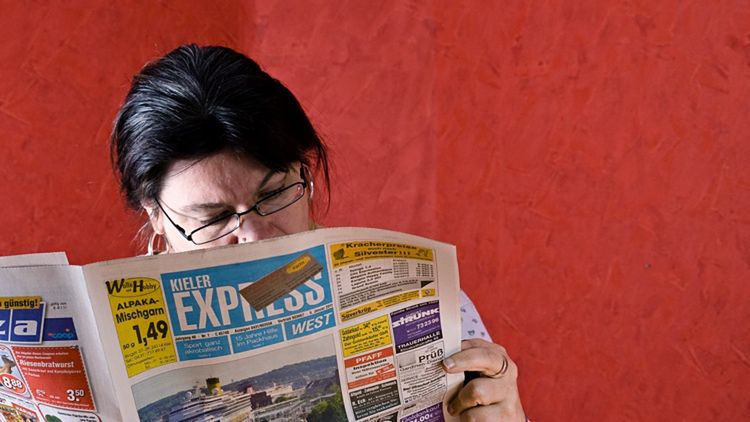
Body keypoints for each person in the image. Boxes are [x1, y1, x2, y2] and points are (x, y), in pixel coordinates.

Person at [111, 44, 526, 421]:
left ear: (304, 173)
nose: (256, 236)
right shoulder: (107, 345)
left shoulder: (428, 302)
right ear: (156, 215)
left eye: (274, 193)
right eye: (215, 216)